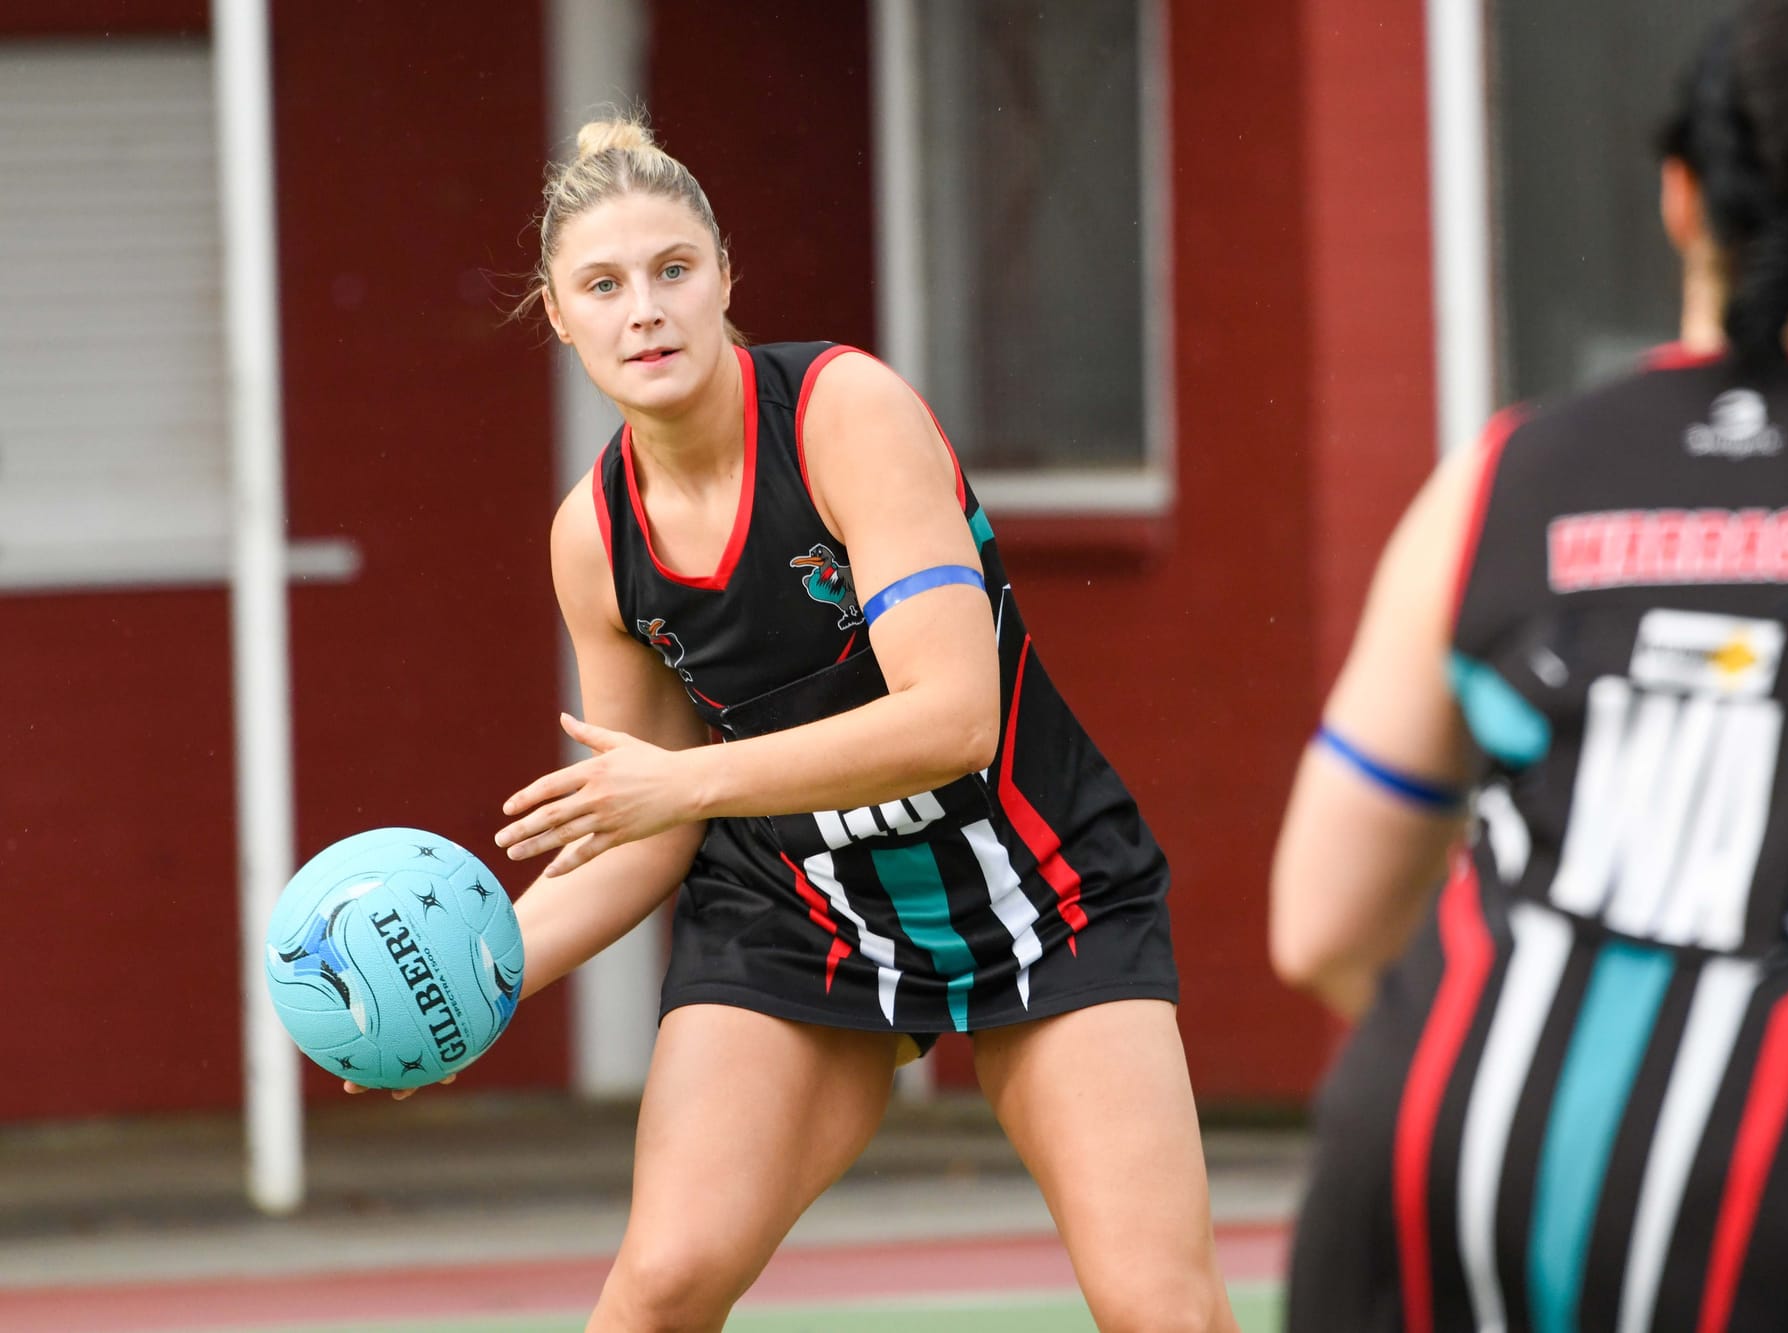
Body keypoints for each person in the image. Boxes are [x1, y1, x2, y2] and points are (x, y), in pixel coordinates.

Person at [1268, 2, 1788, 1330]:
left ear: (1675, 196)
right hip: (1776, 1194)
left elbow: (1318, 925)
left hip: (1422, 1167)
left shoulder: (1505, 473)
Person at [445, 114, 1235, 1333]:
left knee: (1156, 1307)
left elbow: (953, 718)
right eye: (602, 286)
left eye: (671, 270)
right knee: (659, 1286)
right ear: (557, 315)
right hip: (799, 915)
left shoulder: (841, 414)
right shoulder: (593, 537)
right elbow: (645, 832)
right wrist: (469, 983)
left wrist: (686, 786)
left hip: (1043, 889)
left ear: (724, 277)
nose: (643, 311)